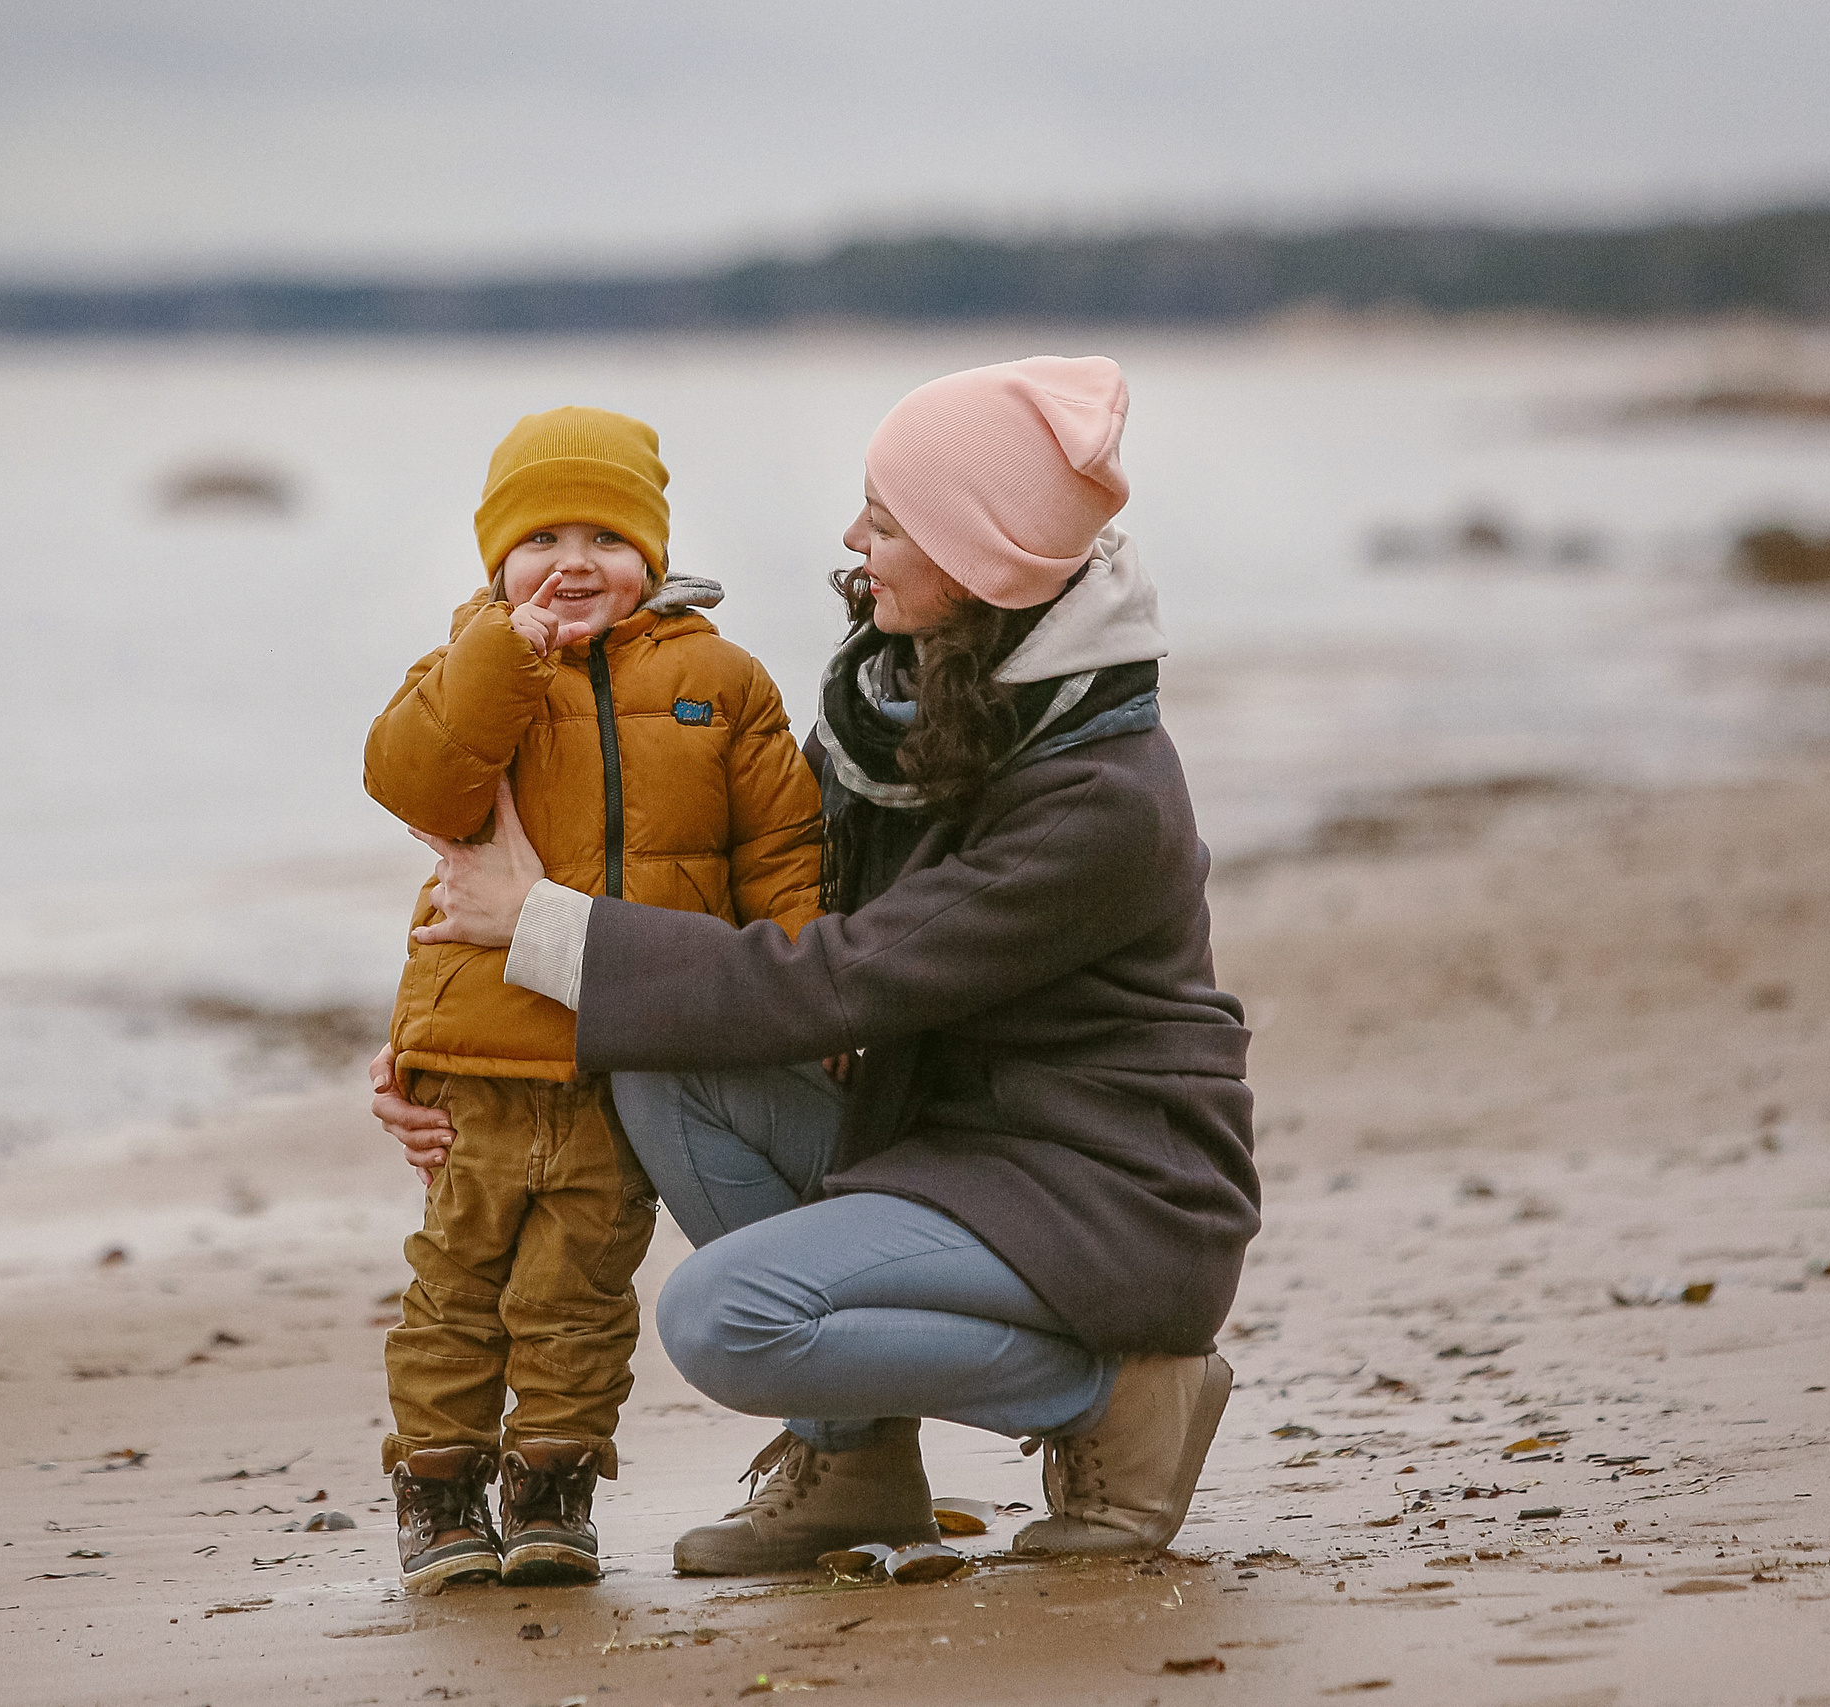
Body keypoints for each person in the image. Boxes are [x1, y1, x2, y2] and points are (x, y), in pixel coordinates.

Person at [376, 357, 1261, 1575]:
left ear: (977, 558)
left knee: (721, 1318)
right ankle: (855, 1462)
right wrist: (442, 1052)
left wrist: (543, 923)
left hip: (1103, 1193)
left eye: (886, 521)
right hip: (958, 1139)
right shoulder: (903, 700)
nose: (851, 538)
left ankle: (1108, 1390)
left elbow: (835, 976)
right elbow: (759, 904)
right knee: (661, 1063)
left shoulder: (1098, 801)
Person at [362, 404, 822, 1593]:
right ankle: (438, 1486)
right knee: (457, 1289)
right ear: (495, 562)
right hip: (481, 1059)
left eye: (607, 537)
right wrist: (504, 652)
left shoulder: (721, 682)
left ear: (654, 559)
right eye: (541, 538)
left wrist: (813, 994)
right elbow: (408, 776)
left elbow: (781, 858)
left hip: (631, 1050)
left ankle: (555, 1484)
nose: (574, 562)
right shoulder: (471, 668)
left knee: (576, 1293)